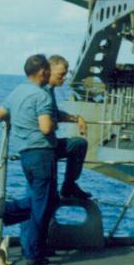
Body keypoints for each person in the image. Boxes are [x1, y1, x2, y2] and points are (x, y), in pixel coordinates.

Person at [0, 54, 58, 265]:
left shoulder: (16, 92)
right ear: (42, 72)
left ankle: (10, 212)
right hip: (42, 153)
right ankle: (31, 252)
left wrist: (18, 119)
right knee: (42, 203)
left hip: (25, 155)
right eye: (48, 71)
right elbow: (46, 127)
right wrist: (54, 123)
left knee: (46, 200)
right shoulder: (42, 96)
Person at [46, 55, 91, 200]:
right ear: (48, 71)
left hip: (51, 143)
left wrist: (76, 118)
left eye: (65, 74)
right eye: (61, 74)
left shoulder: (50, 90)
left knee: (78, 144)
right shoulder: (43, 93)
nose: (64, 78)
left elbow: (55, 113)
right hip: (43, 147)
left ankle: (69, 185)